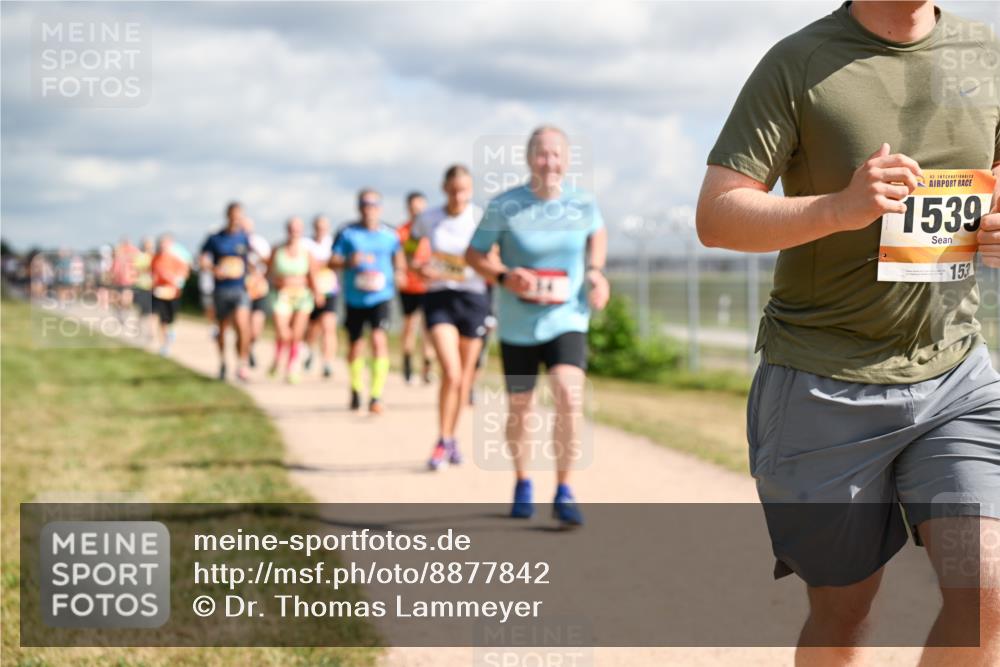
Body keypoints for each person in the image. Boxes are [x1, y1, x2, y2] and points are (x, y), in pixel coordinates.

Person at [696, 2, 1000, 663]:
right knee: (844, 614)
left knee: (986, 588)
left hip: (955, 376)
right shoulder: (799, 62)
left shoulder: (988, 53)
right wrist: (840, 208)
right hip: (822, 382)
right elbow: (718, 214)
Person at [466, 126, 609, 526]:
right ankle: (523, 480)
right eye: (542, 154)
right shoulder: (505, 205)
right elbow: (475, 254)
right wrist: (504, 275)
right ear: (530, 159)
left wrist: (595, 272)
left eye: (557, 154)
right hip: (517, 325)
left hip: (567, 318)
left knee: (568, 394)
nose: (550, 162)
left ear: (566, 159)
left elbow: (597, 233)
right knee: (521, 410)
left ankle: (564, 489)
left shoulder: (583, 203)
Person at [412, 166, 488, 470]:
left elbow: (493, 256)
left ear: (471, 189)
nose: (459, 196)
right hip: (439, 297)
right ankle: (442, 440)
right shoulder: (428, 217)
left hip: (473, 298)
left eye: (464, 190)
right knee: (451, 373)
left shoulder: (481, 218)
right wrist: (416, 266)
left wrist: (482, 268)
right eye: (454, 189)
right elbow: (409, 245)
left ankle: (453, 437)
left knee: (465, 379)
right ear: (444, 188)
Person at [330, 189, 406, 414]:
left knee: (378, 339)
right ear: (359, 207)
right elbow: (332, 261)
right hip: (354, 298)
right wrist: (346, 262)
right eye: (365, 204)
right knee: (356, 345)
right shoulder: (347, 233)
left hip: (381, 296)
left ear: (380, 208)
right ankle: (355, 389)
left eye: (373, 204)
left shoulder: (390, 234)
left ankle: (376, 395)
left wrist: (400, 273)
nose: (369, 208)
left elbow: (399, 260)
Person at [200, 202, 253, 382]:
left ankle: (242, 362)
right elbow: (202, 259)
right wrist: (213, 269)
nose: (236, 219)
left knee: (242, 326)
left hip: (240, 288)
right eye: (234, 215)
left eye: (240, 216)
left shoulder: (245, 238)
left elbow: (253, 261)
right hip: (221, 290)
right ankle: (223, 362)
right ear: (228, 216)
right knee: (223, 329)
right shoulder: (215, 238)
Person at [267, 217, 321, 384]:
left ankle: (292, 367)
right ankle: (277, 359)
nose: (294, 231)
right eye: (291, 227)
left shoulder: (307, 253)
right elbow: (268, 273)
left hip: (302, 297)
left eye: (297, 228)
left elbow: (313, 275)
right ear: (287, 229)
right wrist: (278, 281)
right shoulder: (278, 249)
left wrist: (317, 293)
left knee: (297, 334)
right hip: (281, 296)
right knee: (284, 333)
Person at [397, 191, 436, 384]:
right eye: (414, 208)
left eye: (421, 208)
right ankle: (407, 363)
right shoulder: (402, 232)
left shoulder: (432, 230)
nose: (417, 211)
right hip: (408, 287)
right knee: (410, 326)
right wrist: (401, 274)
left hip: (429, 287)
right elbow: (398, 258)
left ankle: (427, 367)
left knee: (429, 329)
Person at [303, 215, 339, 379]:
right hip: (309, 290)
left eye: (324, 227)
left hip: (330, 289)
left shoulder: (333, 243)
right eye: (318, 226)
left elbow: (337, 262)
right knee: (312, 328)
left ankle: (328, 362)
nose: (321, 230)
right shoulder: (306, 244)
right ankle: (310, 350)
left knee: (328, 326)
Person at [150, 233, 190, 357]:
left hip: (173, 293)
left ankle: (170, 331)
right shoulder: (155, 258)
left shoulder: (175, 259)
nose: (162, 246)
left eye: (165, 244)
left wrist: (176, 280)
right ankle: (164, 345)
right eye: (161, 243)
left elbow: (184, 273)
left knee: (171, 318)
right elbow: (152, 273)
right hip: (159, 293)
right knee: (162, 319)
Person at [243, 216, 272, 369]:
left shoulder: (260, 243)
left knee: (255, 329)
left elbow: (269, 264)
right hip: (242, 290)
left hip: (259, 290)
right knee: (243, 326)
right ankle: (244, 356)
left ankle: (250, 347)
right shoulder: (236, 243)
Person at [133, 237, 155, 345]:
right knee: (143, 310)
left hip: (152, 287)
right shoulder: (139, 256)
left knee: (151, 311)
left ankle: (150, 332)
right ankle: (139, 327)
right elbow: (137, 269)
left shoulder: (154, 256)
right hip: (141, 286)